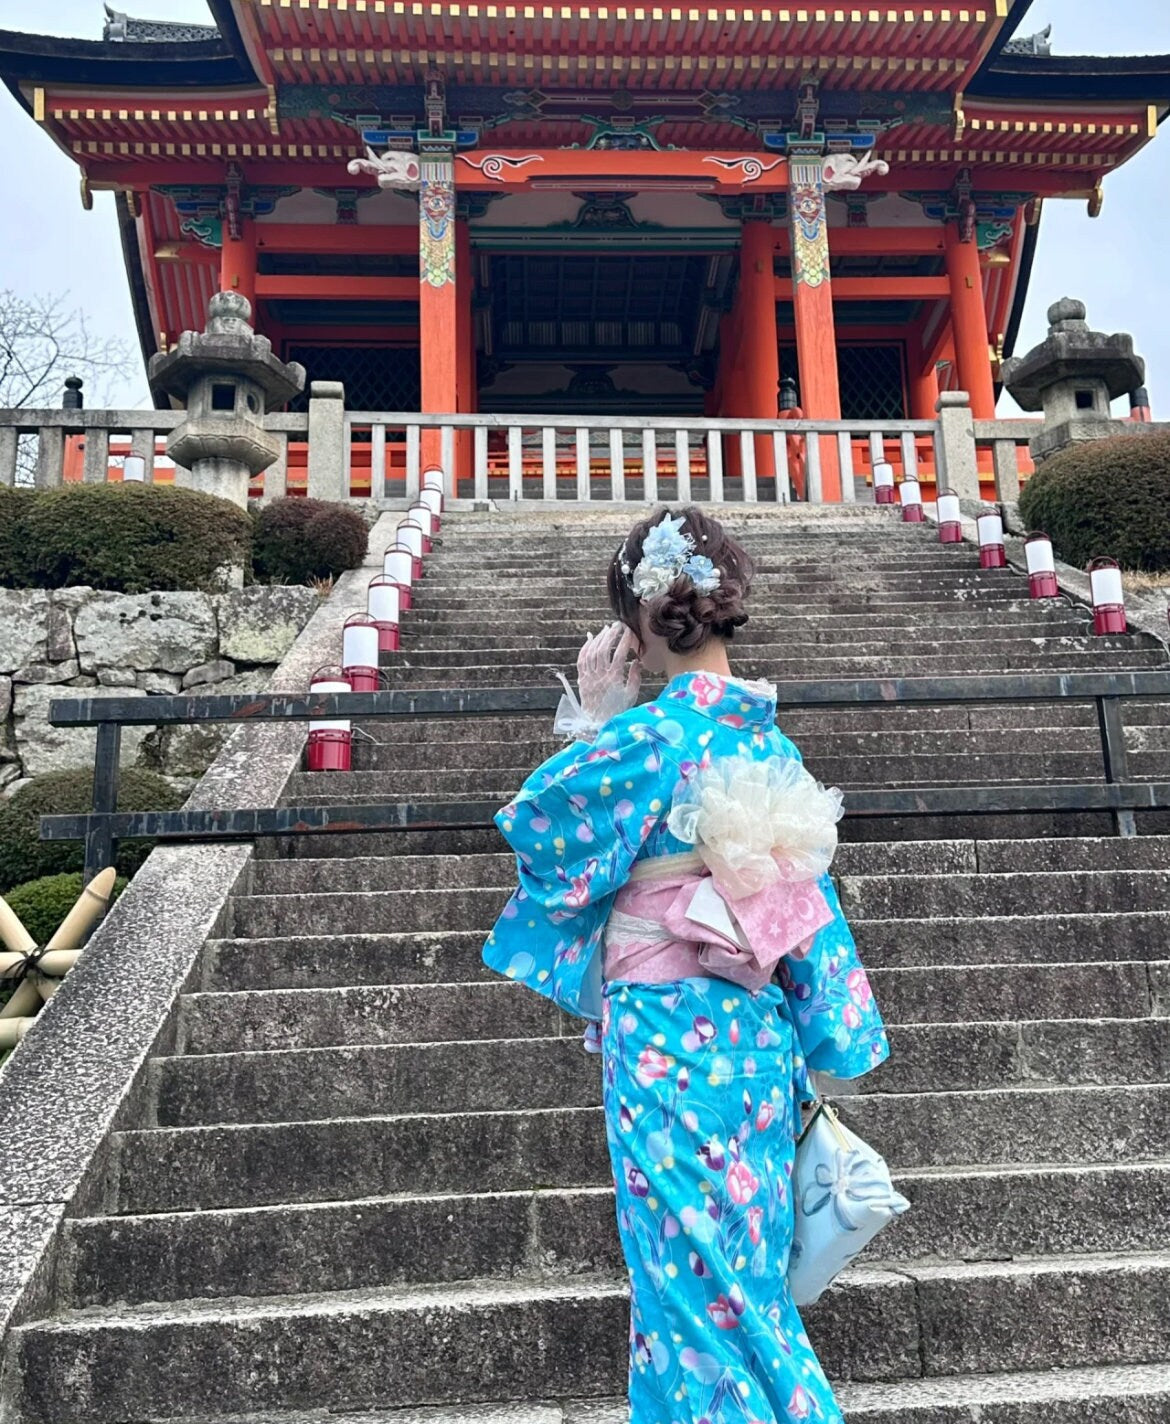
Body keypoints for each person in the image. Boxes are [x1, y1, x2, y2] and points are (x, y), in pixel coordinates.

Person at [484, 507, 890, 1423]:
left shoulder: (648, 738)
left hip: (668, 1040)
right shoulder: (768, 742)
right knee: (740, 1281)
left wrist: (594, 721)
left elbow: (540, 828)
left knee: (687, 1292)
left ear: (637, 621)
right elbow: (807, 919)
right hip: (757, 1043)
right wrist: (833, 1024)